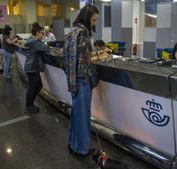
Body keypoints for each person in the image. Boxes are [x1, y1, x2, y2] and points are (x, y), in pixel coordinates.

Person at [63, 4, 110, 158]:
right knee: (83, 115)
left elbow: (75, 57)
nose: (95, 23)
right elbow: (85, 60)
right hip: (82, 80)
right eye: (94, 20)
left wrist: (97, 53)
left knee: (77, 114)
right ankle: (82, 149)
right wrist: (101, 56)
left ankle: (73, 144)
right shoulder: (83, 33)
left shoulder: (73, 32)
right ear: (87, 18)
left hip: (73, 80)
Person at [24, 22, 50, 113]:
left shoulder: (32, 41)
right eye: (42, 33)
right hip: (32, 68)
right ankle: (28, 106)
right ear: (37, 33)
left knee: (38, 86)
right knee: (32, 87)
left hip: (33, 67)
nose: (43, 35)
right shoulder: (35, 43)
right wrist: (43, 42)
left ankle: (30, 103)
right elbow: (46, 48)